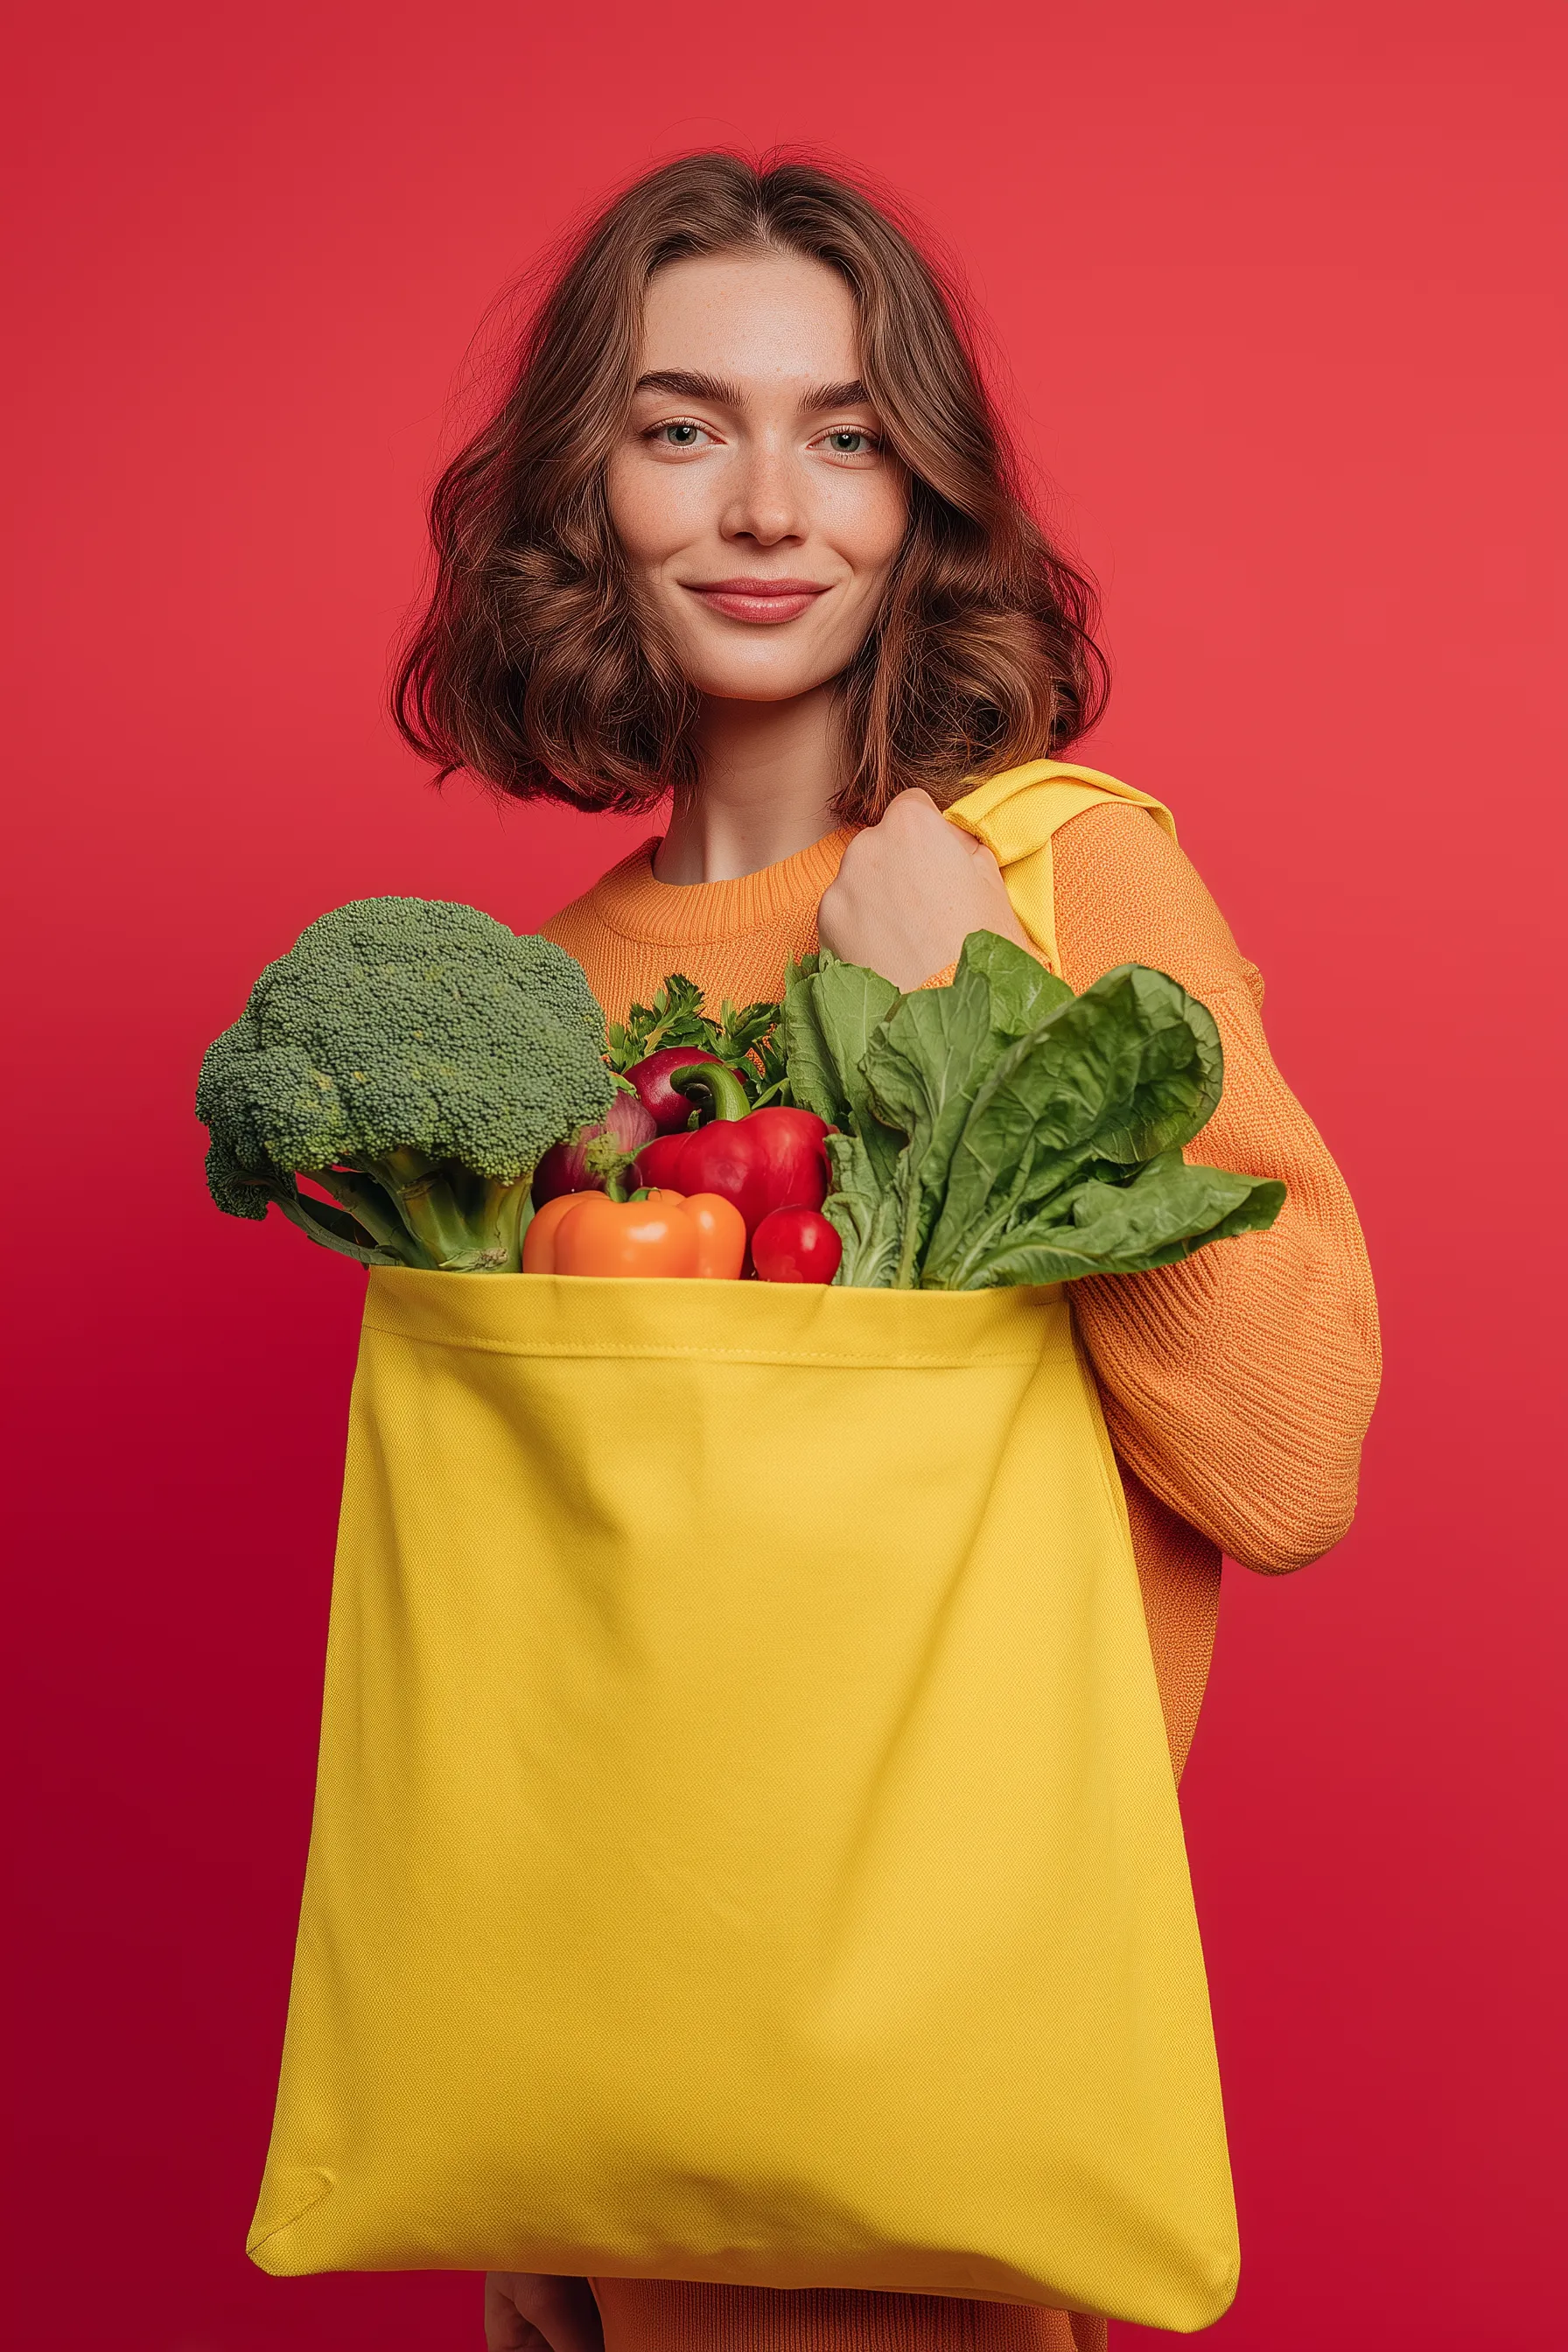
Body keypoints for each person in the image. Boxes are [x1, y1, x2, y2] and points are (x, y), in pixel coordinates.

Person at [394, 150, 1380, 2352]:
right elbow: (559, 1638)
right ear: (584, 489)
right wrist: (527, 2168)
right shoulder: (545, 1005)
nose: (768, 508)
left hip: (918, 2102)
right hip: (607, 2117)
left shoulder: (1056, 888)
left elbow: (1289, 1459)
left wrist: (979, 1013)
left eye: (840, 434)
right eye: (682, 429)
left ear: (918, 499)